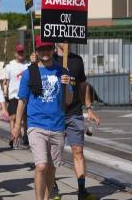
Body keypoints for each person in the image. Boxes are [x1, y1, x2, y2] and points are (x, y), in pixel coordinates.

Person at [12, 36, 73, 200]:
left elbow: (68, 100)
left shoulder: (63, 71)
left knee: (52, 168)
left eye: (48, 48)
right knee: (41, 166)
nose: (45, 52)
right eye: (41, 49)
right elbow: (22, 101)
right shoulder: (29, 73)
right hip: (36, 125)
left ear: (53, 49)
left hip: (57, 126)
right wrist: (17, 126)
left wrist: (66, 85)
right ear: (36, 51)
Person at [54, 43, 100, 200]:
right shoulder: (49, 58)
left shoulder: (77, 60)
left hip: (74, 112)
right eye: (62, 37)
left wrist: (89, 109)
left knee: (78, 151)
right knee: (54, 154)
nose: (65, 40)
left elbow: (83, 85)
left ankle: (82, 190)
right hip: (54, 114)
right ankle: (53, 187)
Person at [4, 44, 30, 148]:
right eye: (19, 52)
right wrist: (5, 94)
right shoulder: (9, 66)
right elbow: (6, 82)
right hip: (14, 95)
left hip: (25, 95)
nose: (21, 54)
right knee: (13, 117)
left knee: (25, 117)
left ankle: (26, 136)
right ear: (15, 53)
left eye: (22, 52)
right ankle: (14, 137)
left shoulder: (28, 65)